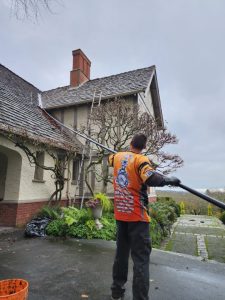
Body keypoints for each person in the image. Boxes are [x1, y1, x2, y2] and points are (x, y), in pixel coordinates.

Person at [108, 133, 180, 300]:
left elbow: (109, 158)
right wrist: (168, 180)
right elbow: (150, 178)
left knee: (121, 254)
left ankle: (116, 291)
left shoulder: (118, 157)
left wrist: (120, 154)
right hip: (137, 218)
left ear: (131, 142)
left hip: (121, 215)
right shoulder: (141, 160)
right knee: (140, 261)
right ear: (144, 147)